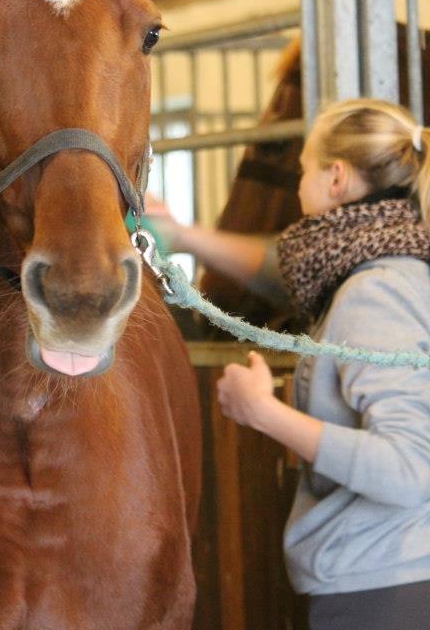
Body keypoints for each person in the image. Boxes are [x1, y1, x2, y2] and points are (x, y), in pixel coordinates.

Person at [146, 98, 430, 630]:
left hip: (385, 585)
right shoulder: (382, 260)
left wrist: (263, 412)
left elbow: (411, 468)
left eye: (303, 169)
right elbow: (282, 270)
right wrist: (181, 237)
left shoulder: (376, 291)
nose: (298, 187)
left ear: (336, 178)